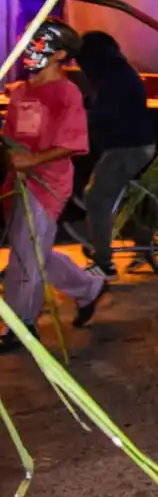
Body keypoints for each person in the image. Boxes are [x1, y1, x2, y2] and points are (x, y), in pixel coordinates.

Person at [0, 20, 107, 353]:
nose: (30, 48)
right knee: (33, 249)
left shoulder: (66, 92)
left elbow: (73, 142)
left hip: (47, 183)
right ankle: (89, 287)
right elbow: (13, 138)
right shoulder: (20, 92)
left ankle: (22, 324)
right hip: (16, 182)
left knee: (26, 251)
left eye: (38, 43)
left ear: (60, 53)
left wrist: (31, 162)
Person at [75, 31, 156, 279]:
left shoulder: (115, 77)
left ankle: (105, 263)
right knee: (108, 200)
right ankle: (144, 241)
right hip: (127, 145)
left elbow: (105, 113)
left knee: (96, 198)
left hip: (127, 148)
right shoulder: (112, 72)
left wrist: (78, 118)